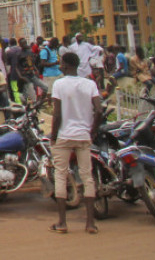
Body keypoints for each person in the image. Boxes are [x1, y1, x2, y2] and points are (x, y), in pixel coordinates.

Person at [49, 51, 100, 234]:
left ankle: (62, 223)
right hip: (83, 136)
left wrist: (53, 135)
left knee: (61, 176)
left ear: (66, 65)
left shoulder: (59, 85)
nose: (60, 66)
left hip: (64, 135)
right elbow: (99, 110)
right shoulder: (90, 84)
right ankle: (90, 224)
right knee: (87, 177)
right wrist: (93, 130)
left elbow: (56, 114)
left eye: (61, 63)